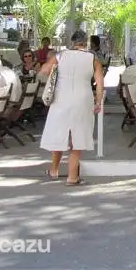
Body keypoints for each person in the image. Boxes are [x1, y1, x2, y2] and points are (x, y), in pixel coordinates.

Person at [36, 30, 104, 185]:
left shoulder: (60, 56)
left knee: (59, 133)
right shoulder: (92, 58)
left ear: (72, 42)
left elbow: (43, 72)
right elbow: (99, 82)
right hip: (82, 98)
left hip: (61, 98)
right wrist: (98, 102)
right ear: (85, 42)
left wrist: (57, 73)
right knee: (77, 137)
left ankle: (54, 170)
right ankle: (72, 177)